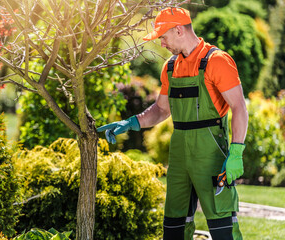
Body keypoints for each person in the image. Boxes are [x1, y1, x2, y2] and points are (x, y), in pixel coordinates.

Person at [97, 7, 248, 240]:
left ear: (179, 30)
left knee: (222, 228)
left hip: (210, 153)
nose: (162, 44)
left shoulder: (216, 61)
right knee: (174, 227)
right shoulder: (170, 66)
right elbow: (161, 109)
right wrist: (131, 123)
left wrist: (237, 150)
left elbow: (239, 107)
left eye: (163, 37)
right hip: (179, 156)